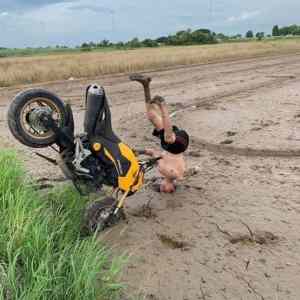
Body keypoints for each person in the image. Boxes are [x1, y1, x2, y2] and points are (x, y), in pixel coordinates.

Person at [130, 74, 189, 193]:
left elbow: (152, 152)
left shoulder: (164, 172)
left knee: (151, 116)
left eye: (162, 190)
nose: (163, 190)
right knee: (169, 139)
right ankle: (162, 105)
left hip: (168, 145)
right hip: (178, 146)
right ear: (172, 187)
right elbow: (180, 173)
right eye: (167, 191)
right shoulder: (174, 175)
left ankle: (145, 84)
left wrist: (137, 151)